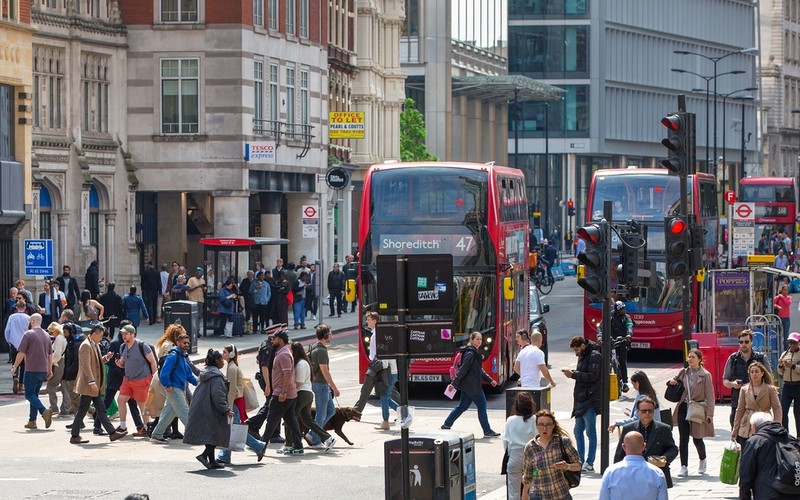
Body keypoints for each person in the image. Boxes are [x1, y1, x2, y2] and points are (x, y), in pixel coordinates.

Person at [69, 324, 127, 444]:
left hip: (94, 384)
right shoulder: (86, 345)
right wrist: (91, 382)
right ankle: (75, 435)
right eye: (100, 336)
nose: (101, 338)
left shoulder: (93, 344)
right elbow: (86, 366)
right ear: (94, 334)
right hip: (89, 384)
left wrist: (106, 358)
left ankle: (111, 433)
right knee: (85, 410)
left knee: (99, 409)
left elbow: (96, 361)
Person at [441, 331, 501, 437]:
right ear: (471, 340)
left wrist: (490, 380)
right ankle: (487, 431)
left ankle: (446, 424)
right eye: (477, 339)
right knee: (482, 406)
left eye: (480, 339)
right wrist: (453, 383)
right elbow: (463, 369)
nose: (479, 341)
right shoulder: (471, 353)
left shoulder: (473, 352)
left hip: (468, 385)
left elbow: (479, 370)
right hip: (473, 386)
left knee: (462, 406)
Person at [217, 344, 268, 464]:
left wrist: (227, 407)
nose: (222, 354)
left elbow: (232, 390)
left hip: (234, 402)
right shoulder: (231, 366)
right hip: (235, 401)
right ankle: (225, 455)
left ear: (231, 354)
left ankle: (258, 446)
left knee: (234, 429)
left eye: (224, 352)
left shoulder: (232, 368)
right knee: (232, 429)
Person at [667, 348, 715, 477]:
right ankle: (684, 466)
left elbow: (710, 395)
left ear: (699, 360)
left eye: (693, 357)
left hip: (697, 407)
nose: (690, 359)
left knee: (697, 439)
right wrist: (671, 382)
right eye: (689, 357)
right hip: (684, 406)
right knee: (683, 438)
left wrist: (710, 413)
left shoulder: (705, 375)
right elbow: (674, 381)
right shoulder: (684, 372)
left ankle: (702, 459)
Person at [613, 396, 678, 488]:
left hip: (656, 475)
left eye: (650, 411)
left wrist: (665, 458)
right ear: (638, 412)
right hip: (633, 476)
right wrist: (617, 475)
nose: (647, 414)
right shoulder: (628, 428)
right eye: (644, 411)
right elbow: (620, 453)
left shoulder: (664, 429)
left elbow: (673, 448)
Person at [183, 349, 232, 469]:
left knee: (211, 434)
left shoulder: (206, 372)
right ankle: (204, 456)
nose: (223, 362)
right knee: (216, 432)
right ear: (216, 361)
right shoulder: (217, 377)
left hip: (201, 408)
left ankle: (212, 460)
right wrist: (226, 409)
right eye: (221, 359)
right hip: (211, 409)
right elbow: (219, 396)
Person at [258, 329, 304, 455]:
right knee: (291, 420)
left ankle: (260, 446)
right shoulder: (282, 352)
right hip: (288, 393)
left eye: (275, 338)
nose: (272, 340)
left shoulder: (283, 354)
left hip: (282, 393)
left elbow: (287, 373)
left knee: (271, 419)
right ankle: (299, 446)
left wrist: (283, 392)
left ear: (281, 340)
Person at [286, 341, 336, 452]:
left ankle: (289, 444)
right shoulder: (301, 362)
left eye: (290, 350)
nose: (289, 352)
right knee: (308, 420)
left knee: (291, 416)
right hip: (306, 393)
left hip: (302, 393)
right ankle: (327, 438)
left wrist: (287, 390)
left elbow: (299, 382)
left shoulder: (301, 364)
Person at [521, 409, 582, 500]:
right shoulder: (530, 447)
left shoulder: (563, 442)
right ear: (537, 426)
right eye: (541, 425)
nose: (544, 428)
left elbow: (578, 465)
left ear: (553, 425)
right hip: (538, 495)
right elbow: (528, 475)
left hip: (561, 494)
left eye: (548, 425)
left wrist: (567, 466)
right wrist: (525, 494)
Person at [562, 335, 602, 472]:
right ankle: (580, 460)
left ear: (583, 346)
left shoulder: (595, 355)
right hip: (581, 398)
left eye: (577, 350)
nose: (576, 353)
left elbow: (592, 376)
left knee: (591, 432)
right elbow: (583, 373)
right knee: (578, 430)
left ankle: (589, 462)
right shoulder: (584, 355)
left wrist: (573, 374)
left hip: (589, 399)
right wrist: (573, 373)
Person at [739, 411, 800, 500]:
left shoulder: (755, 441)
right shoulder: (791, 439)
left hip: (767, 494)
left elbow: (745, 474)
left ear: (754, 426)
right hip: (794, 492)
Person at [150, 333, 198, 443]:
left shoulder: (182, 357)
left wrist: (198, 383)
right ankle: (195, 434)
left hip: (178, 388)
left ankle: (157, 434)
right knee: (185, 412)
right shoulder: (173, 356)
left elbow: (188, 374)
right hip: (174, 388)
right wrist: (167, 385)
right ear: (177, 343)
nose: (186, 345)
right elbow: (164, 373)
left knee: (168, 414)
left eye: (188, 343)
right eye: (184, 343)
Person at [11, 313, 53, 429]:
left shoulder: (28, 334)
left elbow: (21, 353)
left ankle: (44, 411)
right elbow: (50, 355)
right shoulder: (46, 335)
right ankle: (32, 420)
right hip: (43, 370)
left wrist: (15, 367)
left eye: (30, 320)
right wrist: (49, 369)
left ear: (33, 321)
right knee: (35, 394)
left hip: (31, 369)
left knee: (29, 394)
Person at [601, 431, 668, 500]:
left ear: (623, 447)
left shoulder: (611, 472)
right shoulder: (657, 473)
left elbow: (603, 497)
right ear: (644, 446)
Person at [723, 329, 770, 427]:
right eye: (741, 342)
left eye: (746, 342)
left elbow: (769, 379)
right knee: (736, 427)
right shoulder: (733, 358)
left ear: (751, 342)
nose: (743, 344)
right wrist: (733, 384)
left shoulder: (760, 358)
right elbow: (725, 380)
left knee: (758, 430)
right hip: (738, 399)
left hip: (757, 401)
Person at [116, 324, 157, 434]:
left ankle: (146, 427)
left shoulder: (142, 346)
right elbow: (124, 363)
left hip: (142, 379)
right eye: (122, 334)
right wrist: (120, 364)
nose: (123, 336)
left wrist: (155, 378)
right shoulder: (123, 347)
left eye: (126, 334)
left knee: (142, 405)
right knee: (121, 400)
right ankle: (123, 426)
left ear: (132, 334)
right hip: (128, 380)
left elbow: (153, 361)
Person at [732, 361, 782, 445]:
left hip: (764, 422)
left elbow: (777, 408)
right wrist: (735, 428)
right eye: (752, 372)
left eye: (756, 372)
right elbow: (740, 409)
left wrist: (777, 426)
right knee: (746, 453)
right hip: (747, 424)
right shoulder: (744, 389)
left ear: (762, 373)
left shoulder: (770, 389)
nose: (754, 374)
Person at [308, 324, 342, 445]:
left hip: (321, 385)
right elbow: (324, 371)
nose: (331, 335)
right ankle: (316, 440)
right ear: (325, 335)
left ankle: (312, 434)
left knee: (331, 410)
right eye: (330, 333)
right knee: (321, 415)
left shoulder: (315, 347)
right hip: (321, 385)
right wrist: (334, 387)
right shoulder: (321, 350)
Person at [503, 392, 537, 500]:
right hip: (531, 457)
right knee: (531, 489)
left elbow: (505, 441)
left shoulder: (510, 420)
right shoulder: (534, 419)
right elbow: (538, 439)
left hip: (514, 456)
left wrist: (509, 454)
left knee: (513, 492)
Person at [597, 301, 633, 393]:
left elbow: (629, 325)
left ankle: (625, 382)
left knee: (622, 361)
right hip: (610, 341)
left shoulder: (626, 317)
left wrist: (629, 335)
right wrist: (600, 337)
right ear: (617, 309)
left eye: (624, 308)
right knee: (606, 360)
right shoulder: (609, 316)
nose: (624, 310)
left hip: (622, 341)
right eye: (622, 309)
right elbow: (601, 327)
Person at [4, 298, 30, 394]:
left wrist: (9, 341)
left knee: (14, 363)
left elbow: (7, 331)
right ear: (25, 307)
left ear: (16, 307)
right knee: (23, 365)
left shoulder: (12, 317)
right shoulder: (28, 318)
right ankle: (21, 384)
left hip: (14, 343)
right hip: (24, 344)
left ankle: (15, 377)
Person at [778, 331, 800, 435]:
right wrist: (781, 366)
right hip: (787, 386)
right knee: (783, 410)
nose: (791, 345)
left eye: (794, 343)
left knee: (798, 413)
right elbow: (780, 372)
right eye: (790, 342)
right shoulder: (784, 354)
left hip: (798, 386)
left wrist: (793, 366)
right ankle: (785, 434)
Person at [45, 322, 67, 416]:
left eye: (51, 332)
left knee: (51, 385)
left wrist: (51, 362)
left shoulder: (58, 338)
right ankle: (65, 408)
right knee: (64, 386)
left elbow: (57, 353)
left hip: (58, 363)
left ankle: (54, 407)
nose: (51, 334)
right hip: (64, 361)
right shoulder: (63, 337)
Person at [141, 261, 161, 326]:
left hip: (148, 291)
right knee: (155, 305)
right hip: (155, 291)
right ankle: (154, 319)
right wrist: (160, 291)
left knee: (150, 305)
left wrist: (143, 289)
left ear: (149, 265)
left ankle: (151, 320)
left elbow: (143, 282)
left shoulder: (146, 273)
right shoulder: (157, 272)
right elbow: (159, 282)